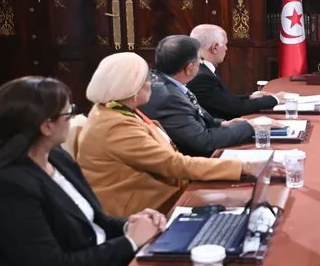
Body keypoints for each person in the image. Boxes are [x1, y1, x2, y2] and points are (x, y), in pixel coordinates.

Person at [0, 76, 165, 266]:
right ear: (46, 127)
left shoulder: (55, 157)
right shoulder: (4, 188)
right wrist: (129, 242)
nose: (73, 118)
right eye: (69, 113)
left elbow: (93, 220)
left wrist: (131, 225)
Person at [76, 52, 264, 217]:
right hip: (145, 211)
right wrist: (244, 167)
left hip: (166, 193)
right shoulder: (115, 126)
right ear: (131, 88)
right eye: (146, 79)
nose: (151, 83)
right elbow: (173, 164)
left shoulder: (117, 110)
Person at [142, 35, 256, 156]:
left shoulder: (164, 82)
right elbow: (205, 142)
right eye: (199, 60)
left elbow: (194, 116)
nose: (201, 64)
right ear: (189, 68)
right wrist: (249, 127)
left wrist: (221, 123)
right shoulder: (168, 97)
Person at [187, 24, 287, 119]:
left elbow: (223, 99)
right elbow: (236, 108)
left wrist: (250, 97)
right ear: (215, 47)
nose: (226, 49)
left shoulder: (204, 69)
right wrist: (275, 99)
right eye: (225, 44)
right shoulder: (202, 76)